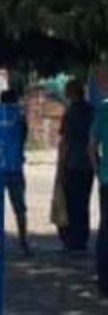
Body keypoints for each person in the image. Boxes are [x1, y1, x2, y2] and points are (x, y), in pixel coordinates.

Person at [57, 78, 95, 254]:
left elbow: (64, 142)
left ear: (71, 93)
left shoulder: (71, 112)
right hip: (88, 164)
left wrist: (60, 166)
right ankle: (81, 241)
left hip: (72, 163)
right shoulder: (91, 110)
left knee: (71, 204)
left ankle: (72, 242)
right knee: (83, 203)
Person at [0, 89, 32, 256]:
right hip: (15, 167)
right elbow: (23, 138)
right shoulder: (19, 119)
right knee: (20, 208)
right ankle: (23, 242)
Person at [88, 98, 108, 297]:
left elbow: (91, 146)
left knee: (105, 231)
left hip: (107, 181)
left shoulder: (104, 112)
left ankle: (104, 280)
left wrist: (98, 171)